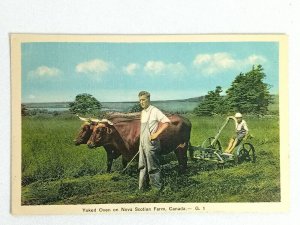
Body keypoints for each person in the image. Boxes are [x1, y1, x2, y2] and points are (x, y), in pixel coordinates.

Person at [138, 91, 170, 191]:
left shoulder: (154, 110)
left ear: (149, 99)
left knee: (153, 166)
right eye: (140, 100)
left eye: (143, 100)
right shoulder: (143, 112)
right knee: (142, 165)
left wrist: (156, 134)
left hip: (151, 143)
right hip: (142, 142)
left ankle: (157, 189)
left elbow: (166, 122)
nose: (141, 102)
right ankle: (142, 187)